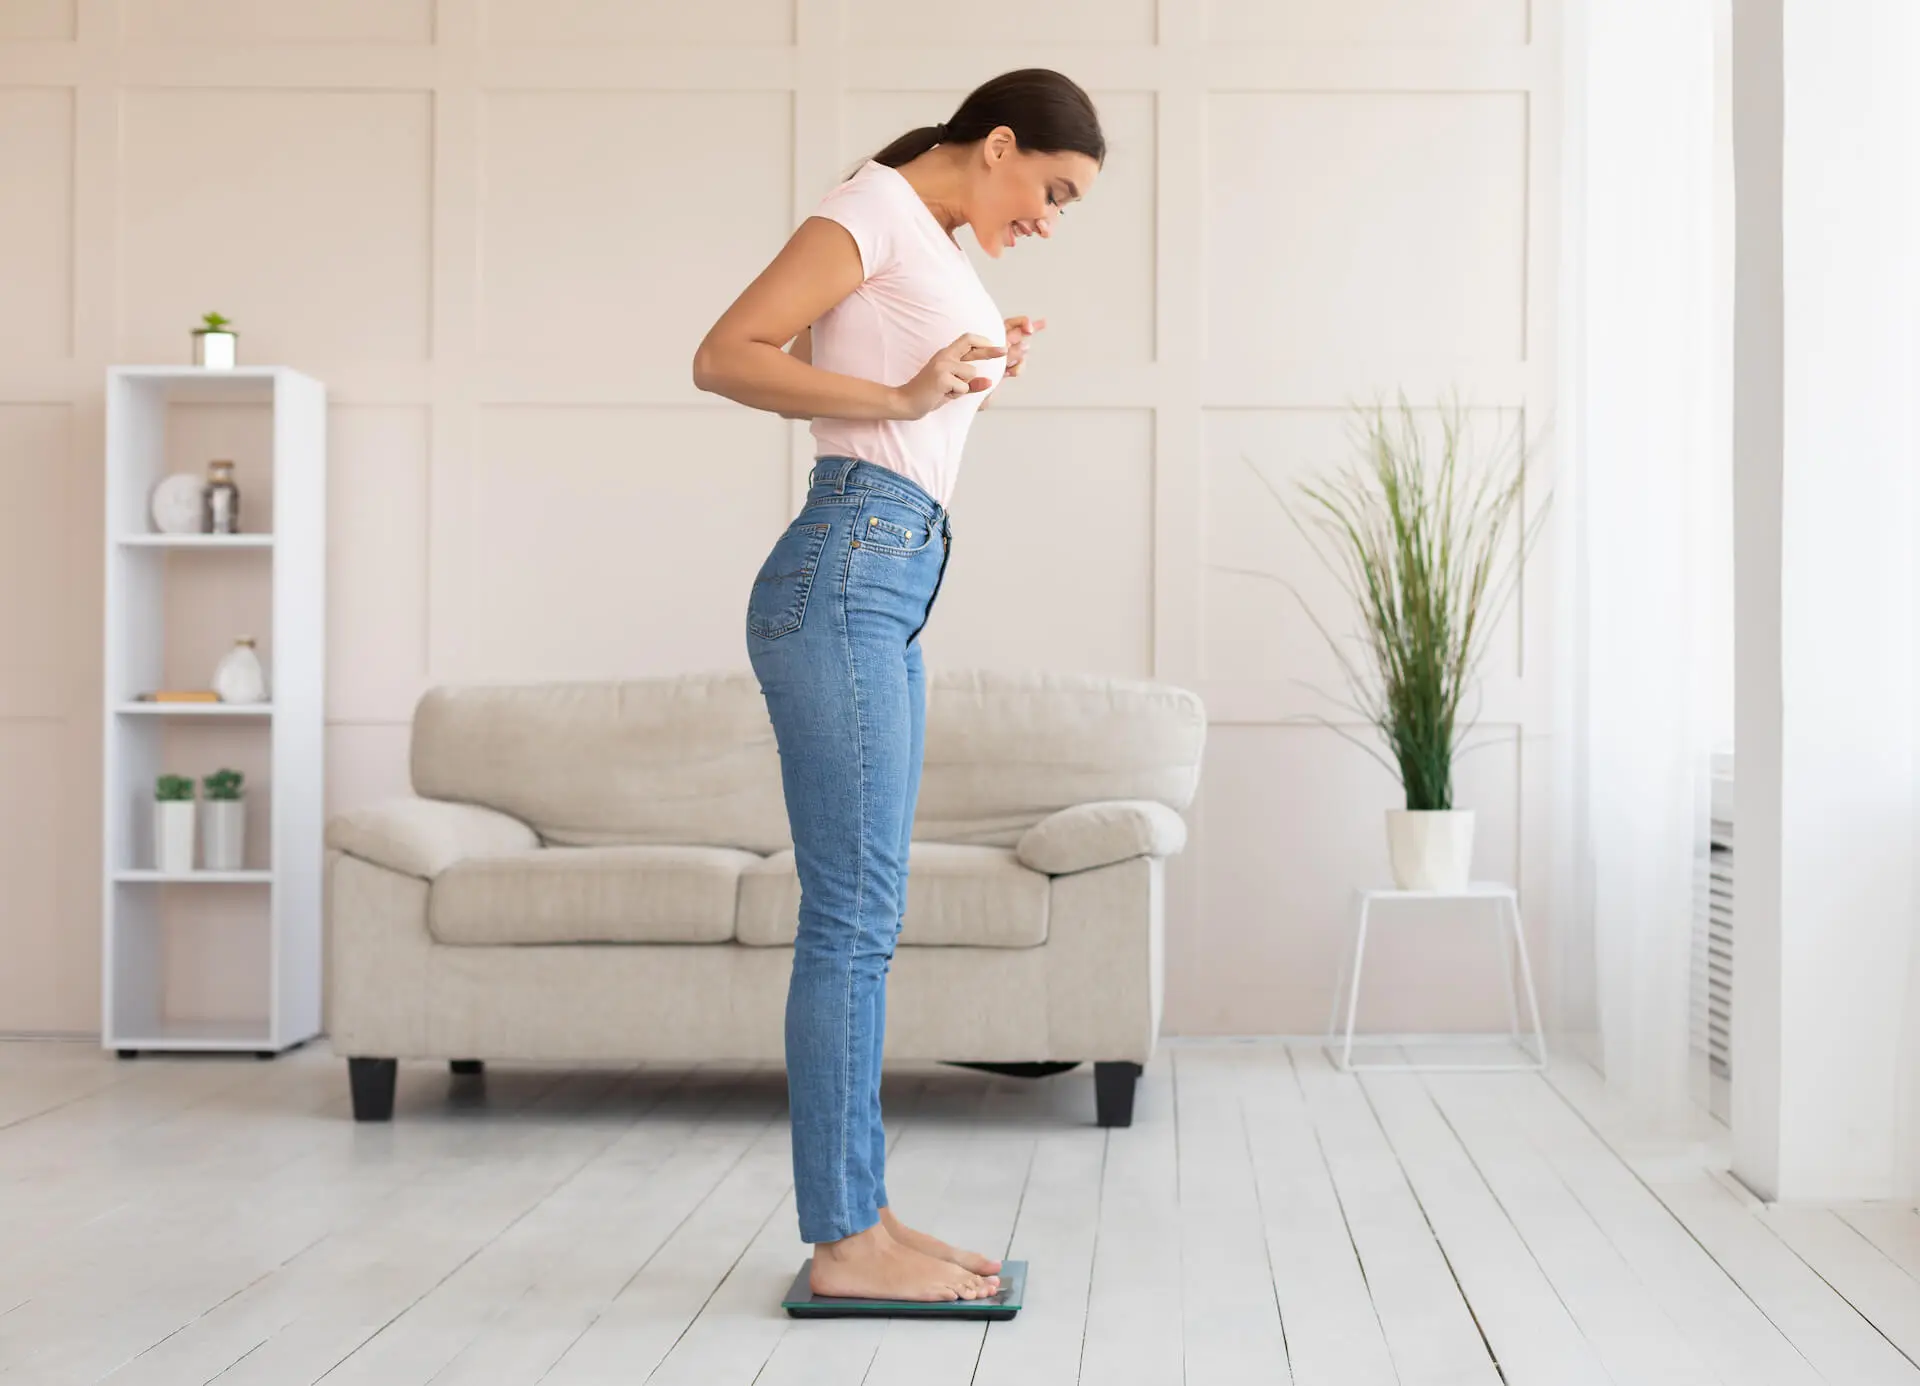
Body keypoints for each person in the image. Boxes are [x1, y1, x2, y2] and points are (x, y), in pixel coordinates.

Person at [692, 68, 1104, 1303]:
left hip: (887, 579)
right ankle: (843, 1241)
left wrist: (968, 367)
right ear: (996, 144)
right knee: (852, 923)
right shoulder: (870, 206)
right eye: (1052, 189)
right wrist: (905, 394)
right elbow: (725, 356)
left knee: (867, 919)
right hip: (846, 571)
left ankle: (861, 1214)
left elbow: (876, 381)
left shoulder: (918, 234)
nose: (1048, 219)